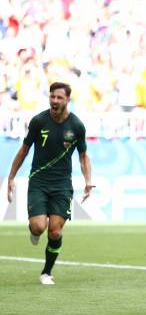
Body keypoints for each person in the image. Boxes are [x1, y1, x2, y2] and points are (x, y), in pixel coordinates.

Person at [7, 82, 94, 285]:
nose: (55, 101)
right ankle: (34, 231)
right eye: (52, 97)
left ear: (67, 100)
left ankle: (46, 272)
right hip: (39, 181)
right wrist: (11, 176)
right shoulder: (39, 121)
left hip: (62, 184)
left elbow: (83, 156)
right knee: (38, 227)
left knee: (55, 230)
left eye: (59, 98)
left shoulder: (77, 126)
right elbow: (24, 149)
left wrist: (88, 181)